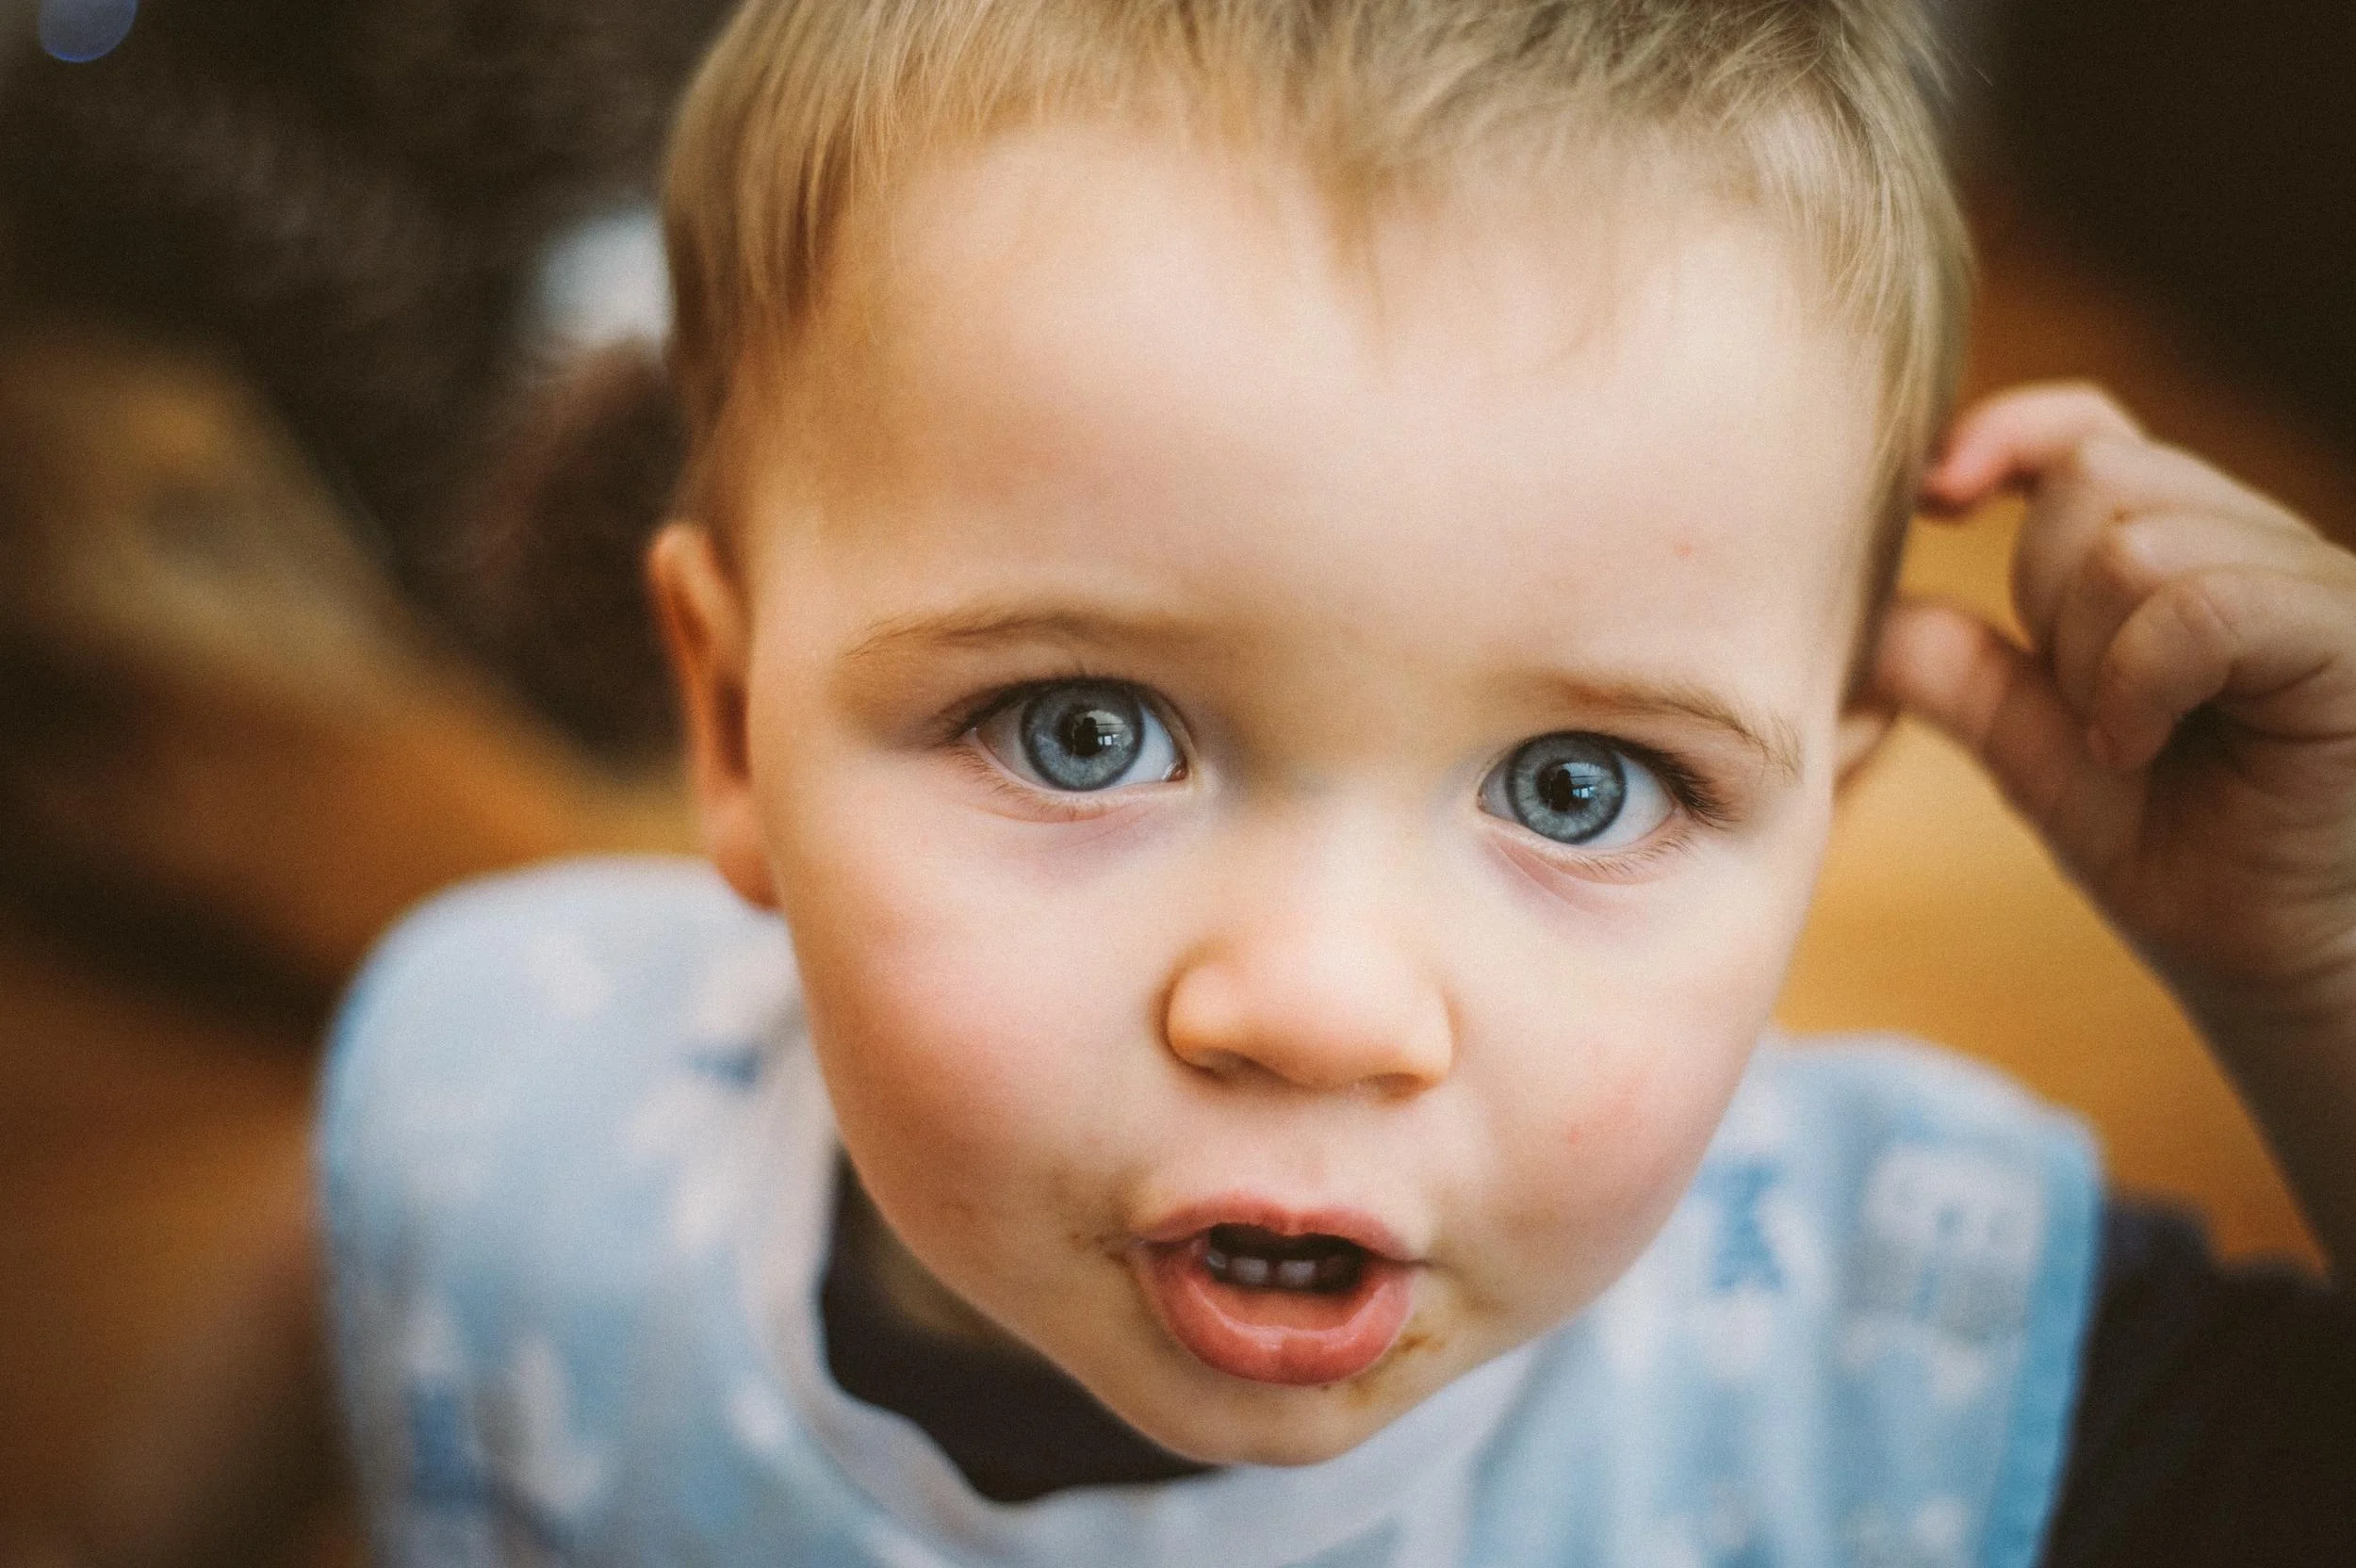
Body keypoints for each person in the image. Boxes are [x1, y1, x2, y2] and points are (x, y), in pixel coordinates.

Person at [316, 1, 2356, 1562]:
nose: (1319, 1006)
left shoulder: (1906, 1364)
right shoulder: (506, 1084)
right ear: (727, 711)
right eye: (1078, 732)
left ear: (1821, 809)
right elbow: (403, 1240)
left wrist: (2318, 967)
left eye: (1575, 785)